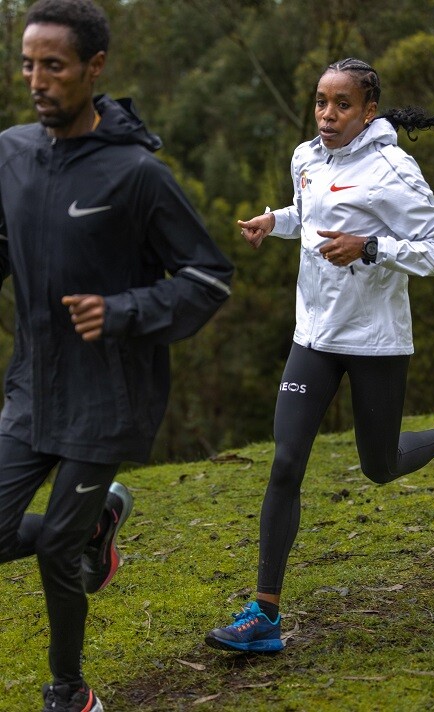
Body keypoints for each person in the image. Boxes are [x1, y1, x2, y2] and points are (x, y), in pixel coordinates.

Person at [0, 0, 233, 709]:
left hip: (108, 397)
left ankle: (70, 692)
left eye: (54, 65)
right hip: (33, 388)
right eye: (28, 64)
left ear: (94, 67)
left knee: (54, 551)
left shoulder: (137, 175)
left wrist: (123, 310)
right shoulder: (11, 153)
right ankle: (95, 526)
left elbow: (207, 277)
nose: (37, 80)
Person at [205, 57, 434, 654]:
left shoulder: (393, 169)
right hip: (314, 337)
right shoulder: (306, 157)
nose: (327, 115)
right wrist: (275, 221)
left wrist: (371, 247)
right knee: (285, 462)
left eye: (342, 105)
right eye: (321, 102)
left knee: (380, 466)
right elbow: (311, 216)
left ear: (368, 111)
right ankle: (264, 613)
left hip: (375, 341)